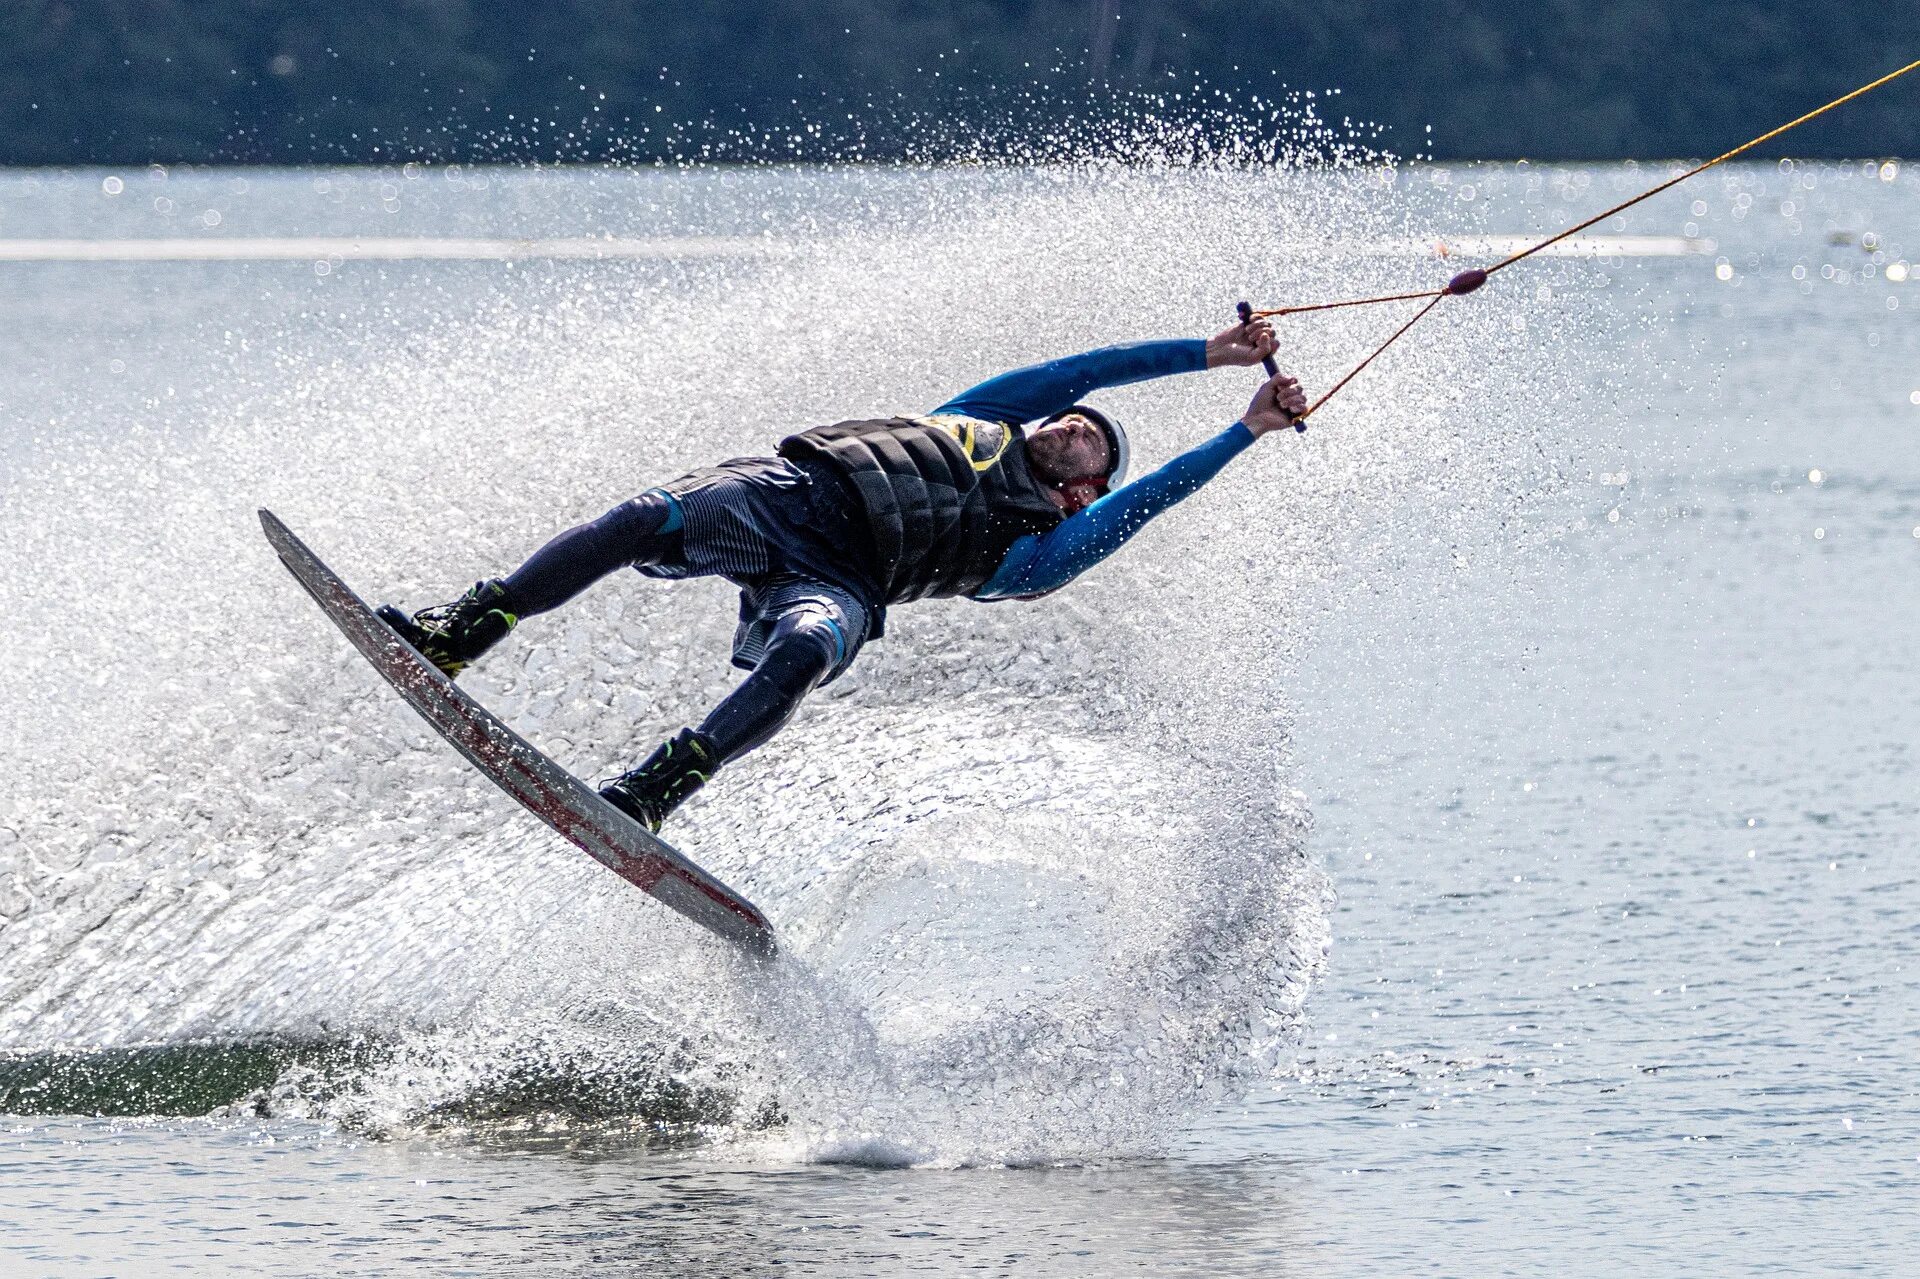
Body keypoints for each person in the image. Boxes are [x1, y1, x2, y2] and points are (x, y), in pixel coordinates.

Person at [379, 319, 1308, 833]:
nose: (1073, 427)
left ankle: (660, 787)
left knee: (806, 648)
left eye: (1090, 446)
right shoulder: (980, 416)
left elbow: (1154, 499)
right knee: (640, 517)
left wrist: (1246, 428)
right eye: (1074, 422)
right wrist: (1209, 355)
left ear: (1083, 493)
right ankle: (466, 632)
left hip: (848, 582)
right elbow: (1093, 365)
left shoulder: (1041, 552)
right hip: (784, 495)